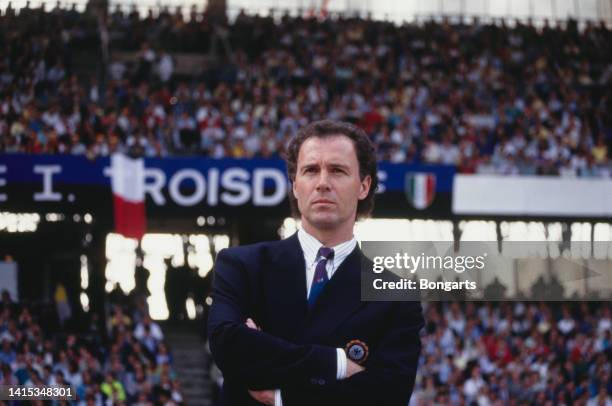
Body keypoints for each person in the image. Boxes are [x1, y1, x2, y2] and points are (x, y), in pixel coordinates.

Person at [208, 120, 424, 405]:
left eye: (337, 170)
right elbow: (229, 347)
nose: (323, 182)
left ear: (364, 185)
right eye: (311, 170)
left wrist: (283, 397)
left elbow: (386, 395)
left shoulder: (396, 293)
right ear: (295, 185)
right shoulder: (240, 265)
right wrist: (336, 362)